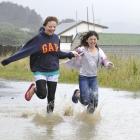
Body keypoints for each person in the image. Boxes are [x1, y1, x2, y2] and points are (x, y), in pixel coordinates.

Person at [1, 16, 79, 113]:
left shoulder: (56, 38)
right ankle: (34, 88)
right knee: (42, 95)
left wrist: (70, 54)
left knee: (51, 98)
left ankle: (49, 121)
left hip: (53, 71)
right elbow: (24, 51)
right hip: (40, 71)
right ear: (45, 26)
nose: (52, 29)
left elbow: (57, 53)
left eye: (54, 27)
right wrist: (8, 60)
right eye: (50, 26)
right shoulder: (38, 39)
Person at [70, 31, 114, 113]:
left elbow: (104, 60)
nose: (93, 41)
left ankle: (88, 121)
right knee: (85, 101)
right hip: (83, 78)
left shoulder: (99, 50)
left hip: (93, 78)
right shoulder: (82, 49)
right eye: (91, 39)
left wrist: (108, 64)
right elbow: (73, 53)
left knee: (94, 102)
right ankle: (77, 94)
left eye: (94, 39)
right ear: (87, 40)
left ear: (96, 40)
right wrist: (73, 54)